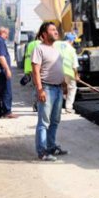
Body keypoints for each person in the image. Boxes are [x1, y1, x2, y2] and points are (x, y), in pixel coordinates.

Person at [31, 22, 69, 161]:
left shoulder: (55, 49)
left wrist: (63, 82)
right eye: (52, 30)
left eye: (56, 29)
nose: (56, 31)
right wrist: (40, 89)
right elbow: (35, 71)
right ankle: (42, 152)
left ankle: (51, 147)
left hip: (58, 88)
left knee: (54, 121)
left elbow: (59, 67)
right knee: (44, 122)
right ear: (44, 34)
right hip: (46, 88)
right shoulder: (39, 49)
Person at [54, 32, 79, 114]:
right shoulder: (72, 50)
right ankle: (68, 108)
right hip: (68, 72)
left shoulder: (56, 44)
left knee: (57, 88)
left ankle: (55, 107)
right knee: (72, 88)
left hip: (56, 70)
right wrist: (76, 75)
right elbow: (74, 65)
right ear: (71, 41)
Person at [23, 32, 42, 112]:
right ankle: (37, 105)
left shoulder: (29, 45)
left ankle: (36, 105)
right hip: (37, 67)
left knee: (36, 86)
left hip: (29, 67)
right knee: (39, 86)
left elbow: (26, 57)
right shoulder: (39, 43)